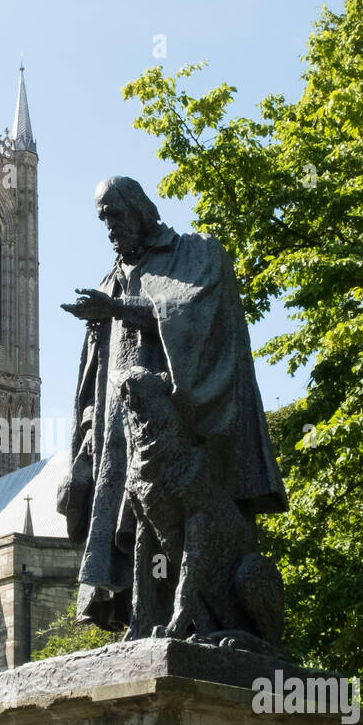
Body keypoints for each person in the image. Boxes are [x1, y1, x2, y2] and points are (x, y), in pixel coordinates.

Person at [59, 176, 287, 645]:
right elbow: (91, 375)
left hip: (178, 427)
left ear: (140, 208)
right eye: (102, 219)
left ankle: (207, 624)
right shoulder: (111, 277)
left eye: (115, 214)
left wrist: (119, 309)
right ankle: (145, 624)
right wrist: (84, 440)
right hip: (118, 433)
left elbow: (194, 315)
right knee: (137, 525)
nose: (110, 228)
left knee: (194, 523)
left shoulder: (192, 253)